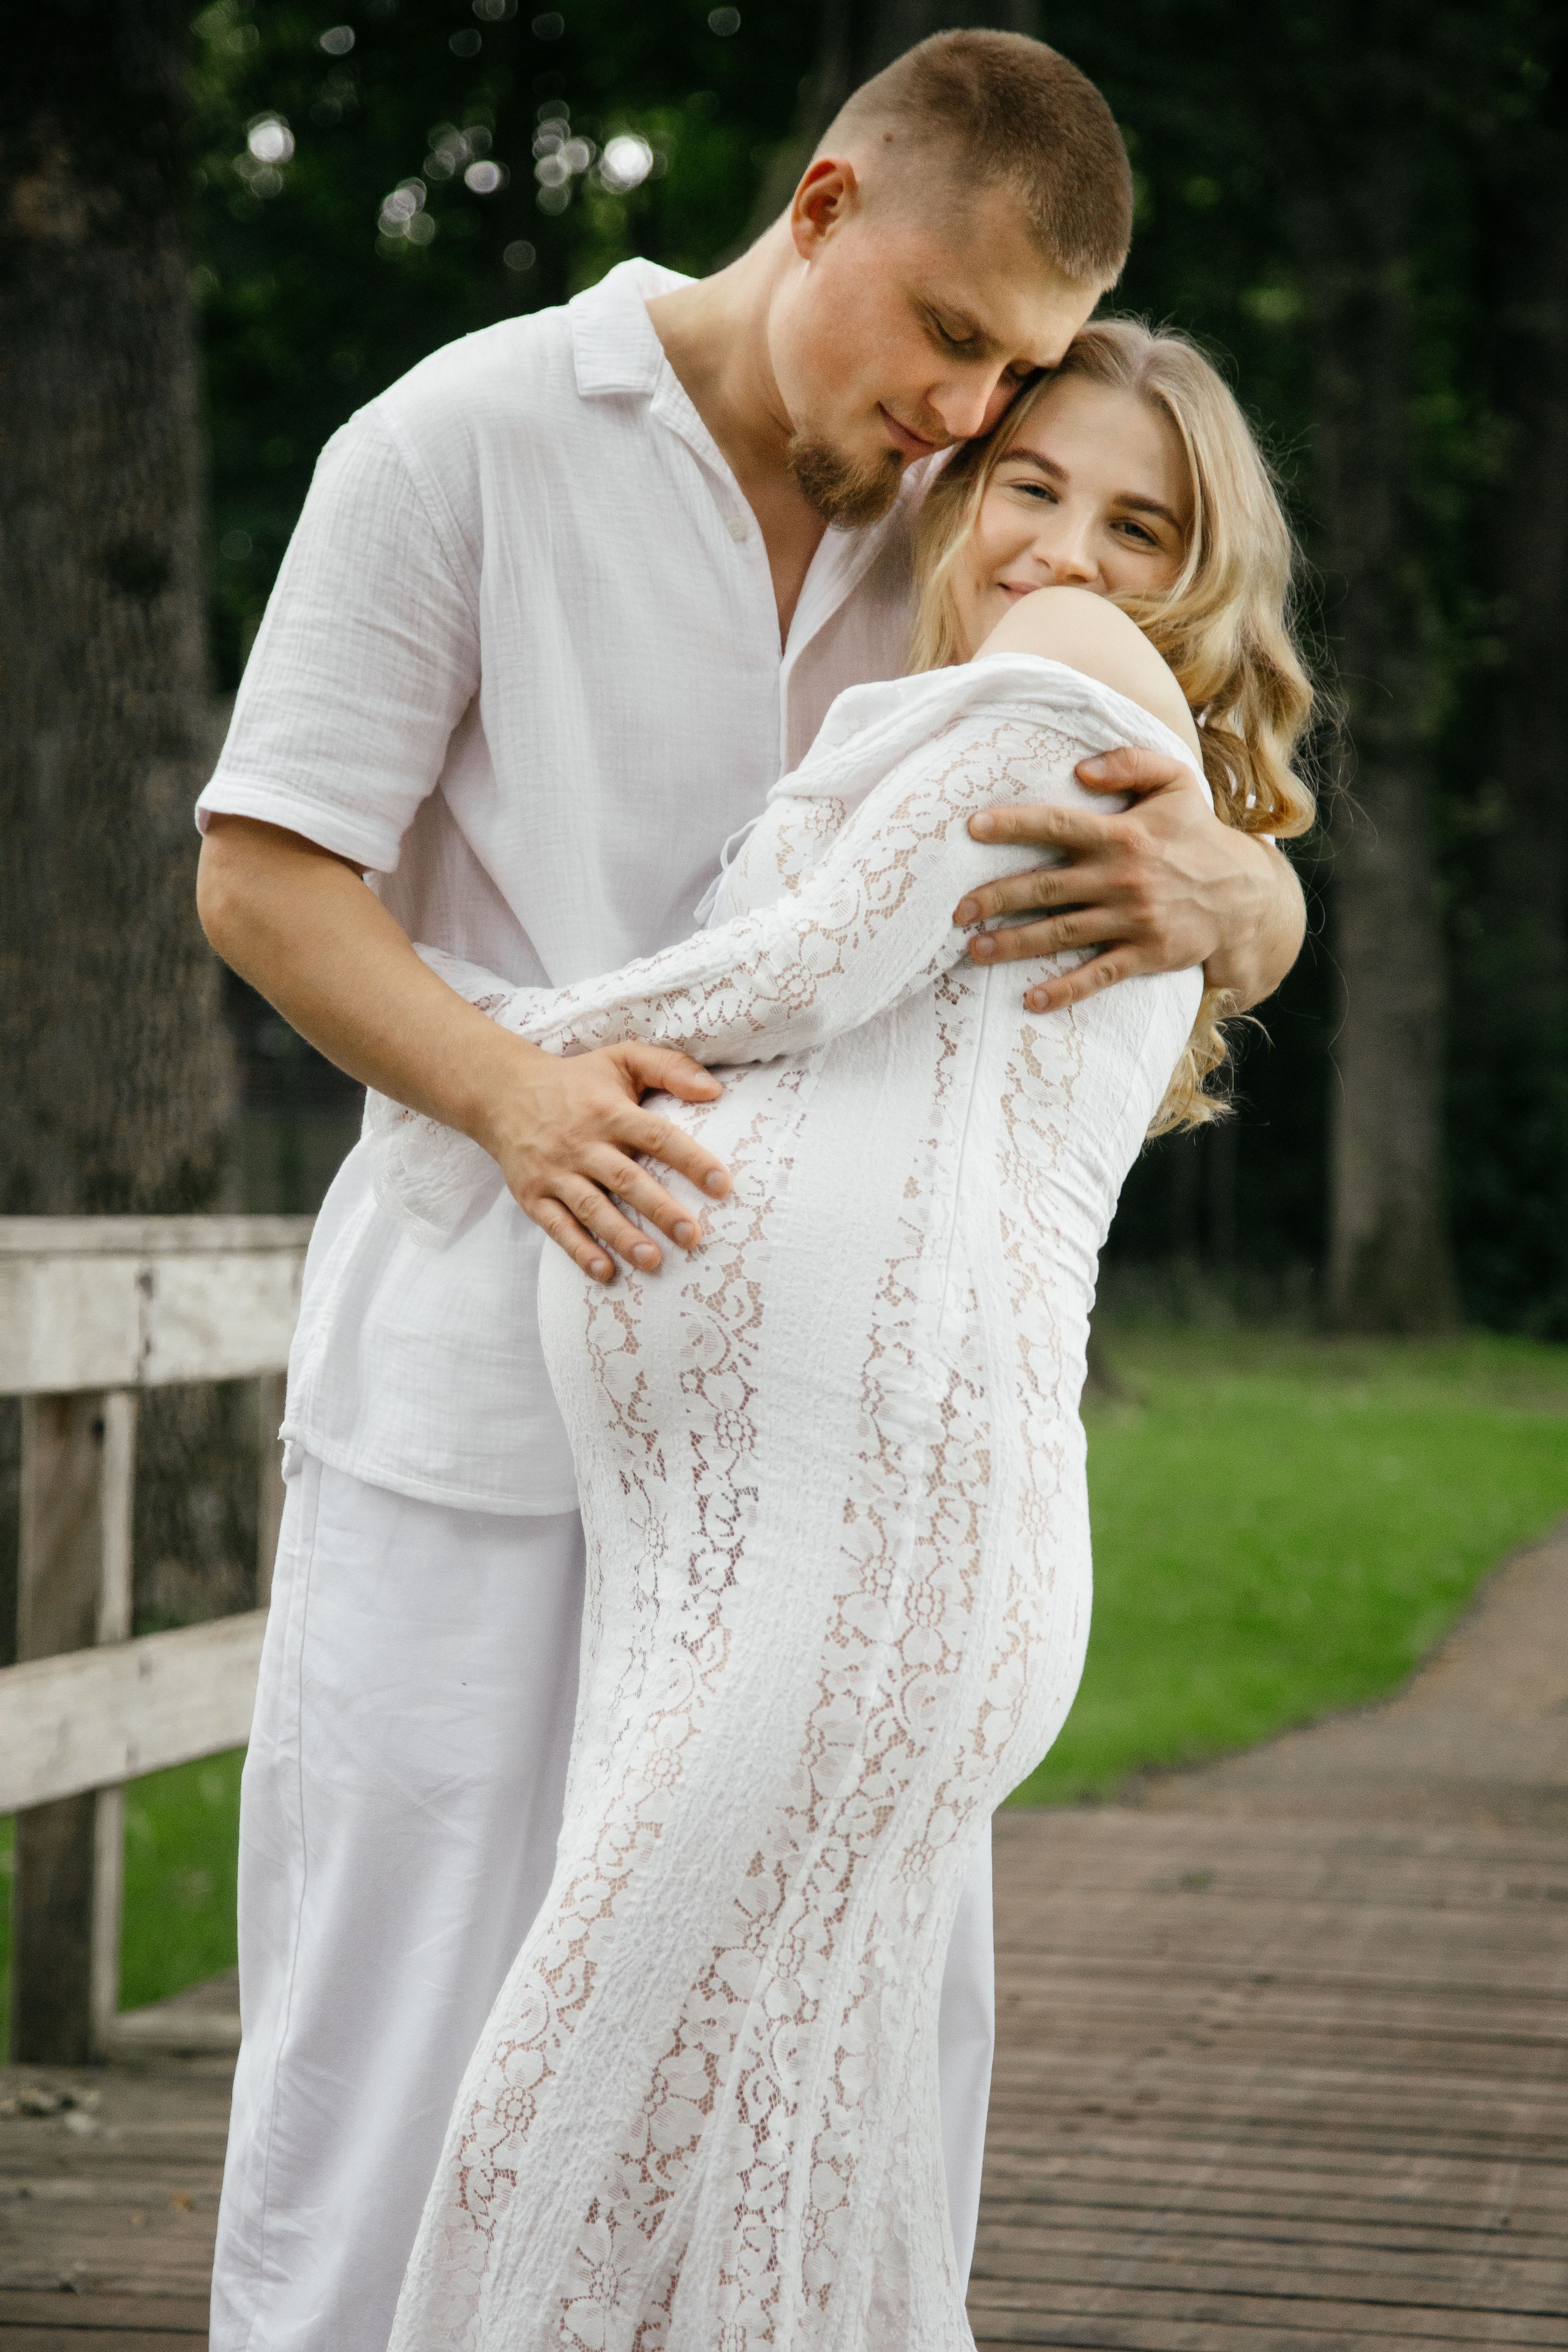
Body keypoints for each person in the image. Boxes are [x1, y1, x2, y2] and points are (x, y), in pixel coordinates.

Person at [194, 34, 1308, 2352]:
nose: (974, 410)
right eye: (953, 338)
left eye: (1013, 372)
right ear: (819, 208)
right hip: (478, 1416)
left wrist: (1252, 900)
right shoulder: (460, 439)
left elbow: (1206, 838)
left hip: (821, 1499)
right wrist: (509, 1091)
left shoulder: (969, 515)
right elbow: (265, 878)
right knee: (406, 2058)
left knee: (826, 2086)